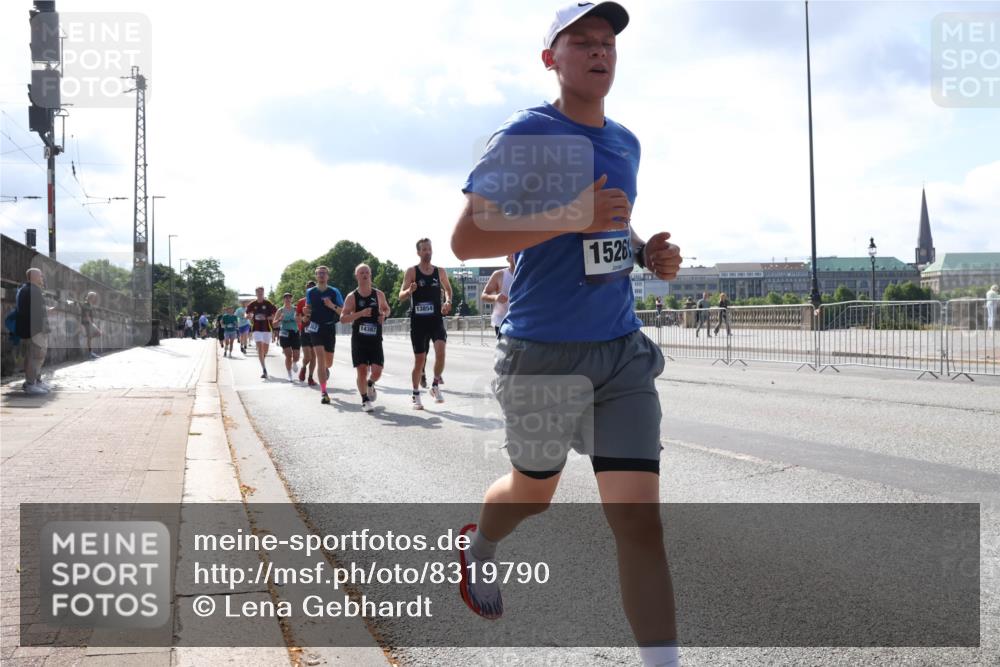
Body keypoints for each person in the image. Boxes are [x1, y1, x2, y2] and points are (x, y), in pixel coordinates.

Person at [449, 3, 683, 666]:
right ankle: (480, 545)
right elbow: (467, 239)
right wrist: (572, 214)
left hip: (621, 353)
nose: (599, 50)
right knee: (533, 493)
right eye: (581, 42)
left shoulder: (626, 142)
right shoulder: (527, 133)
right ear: (551, 59)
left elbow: (613, 226)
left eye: (607, 41)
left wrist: (645, 253)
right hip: (542, 352)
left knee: (639, 521)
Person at [398, 238, 453, 409]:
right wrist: (409, 290)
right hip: (419, 323)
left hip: (436, 320)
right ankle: (415, 394)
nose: (427, 252)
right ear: (418, 252)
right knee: (420, 360)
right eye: (424, 249)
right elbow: (401, 295)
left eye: (429, 249)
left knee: (441, 352)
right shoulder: (412, 271)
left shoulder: (440, 271)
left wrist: (448, 301)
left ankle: (435, 385)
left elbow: (448, 289)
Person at [340, 263, 391, 413]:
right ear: (356, 276)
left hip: (375, 339)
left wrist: (384, 316)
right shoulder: (352, 297)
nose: (364, 275)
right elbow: (343, 318)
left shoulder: (378, 294)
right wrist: (360, 314)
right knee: (361, 370)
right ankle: (365, 400)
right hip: (359, 340)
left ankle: (370, 383)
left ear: (370, 275)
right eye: (361, 272)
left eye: (367, 272)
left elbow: (387, 309)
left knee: (377, 371)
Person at [306, 266, 344, 404]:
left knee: (329, 362)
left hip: (329, 328)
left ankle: (326, 369)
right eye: (319, 273)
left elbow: (343, 312)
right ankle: (324, 392)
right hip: (315, 328)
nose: (321, 275)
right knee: (320, 359)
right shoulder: (310, 292)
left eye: (324, 273)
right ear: (316, 276)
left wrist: (331, 305)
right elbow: (308, 309)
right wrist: (306, 312)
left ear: (328, 276)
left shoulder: (334, 291)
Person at [16, 268, 53, 395]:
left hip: (33, 329)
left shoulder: (27, 289)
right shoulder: (32, 290)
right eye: (40, 276)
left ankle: (36, 381)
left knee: (37, 356)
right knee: (35, 356)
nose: (42, 278)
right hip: (35, 330)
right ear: (34, 277)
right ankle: (31, 384)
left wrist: (45, 310)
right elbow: (33, 312)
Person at [245, 287, 277, 378]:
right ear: (256, 293)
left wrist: (266, 318)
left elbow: (275, 314)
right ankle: (264, 369)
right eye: (258, 292)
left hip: (267, 329)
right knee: (259, 348)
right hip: (256, 329)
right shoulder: (252, 304)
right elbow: (246, 313)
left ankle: (262, 358)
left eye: (261, 292)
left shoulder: (268, 303)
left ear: (263, 293)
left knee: (265, 350)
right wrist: (248, 316)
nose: (260, 294)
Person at [482, 255, 515, 339]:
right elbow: (484, 295)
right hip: (502, 322)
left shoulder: (529, 274)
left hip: (523, 320)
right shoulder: (499, 274)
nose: (516, 255)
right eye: (512, 253)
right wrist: (495, 297)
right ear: (508, 258)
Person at [273, 292, 302, 382]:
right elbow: (274, 324)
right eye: (286, 298)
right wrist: (279, 319)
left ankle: (294, 362)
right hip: (284, 333)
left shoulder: (296, 309)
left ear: (291, 299)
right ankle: (289, 374)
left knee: (296, 356)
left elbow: (301, 321)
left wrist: (298, 319)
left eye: (289, 297)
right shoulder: (280, 310)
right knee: (288, 355)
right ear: (283, 300)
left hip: (295, 332)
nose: (288, 299)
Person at [296, 280, 318, 386]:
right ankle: (303, 367)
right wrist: (302, 319)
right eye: (308, 288)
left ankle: (310, 377)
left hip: (316, 331)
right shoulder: (301, 302)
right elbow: (297, 317)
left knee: (314, 356)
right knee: (308, 356)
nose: (310, 289)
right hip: (305, 331)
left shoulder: (319, 301)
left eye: (312, 288)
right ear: (306, 289)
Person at [80, 291, 101, 359]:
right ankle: (90, 353)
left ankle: (90, 352)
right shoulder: (86, 304)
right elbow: (87, 315)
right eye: (94, 297)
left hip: (89, 322)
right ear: (90, 297)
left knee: (95, 335)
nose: (94, 298)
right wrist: (92, 324)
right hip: (87, 323)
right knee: (97, 333)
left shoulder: (89, 304)